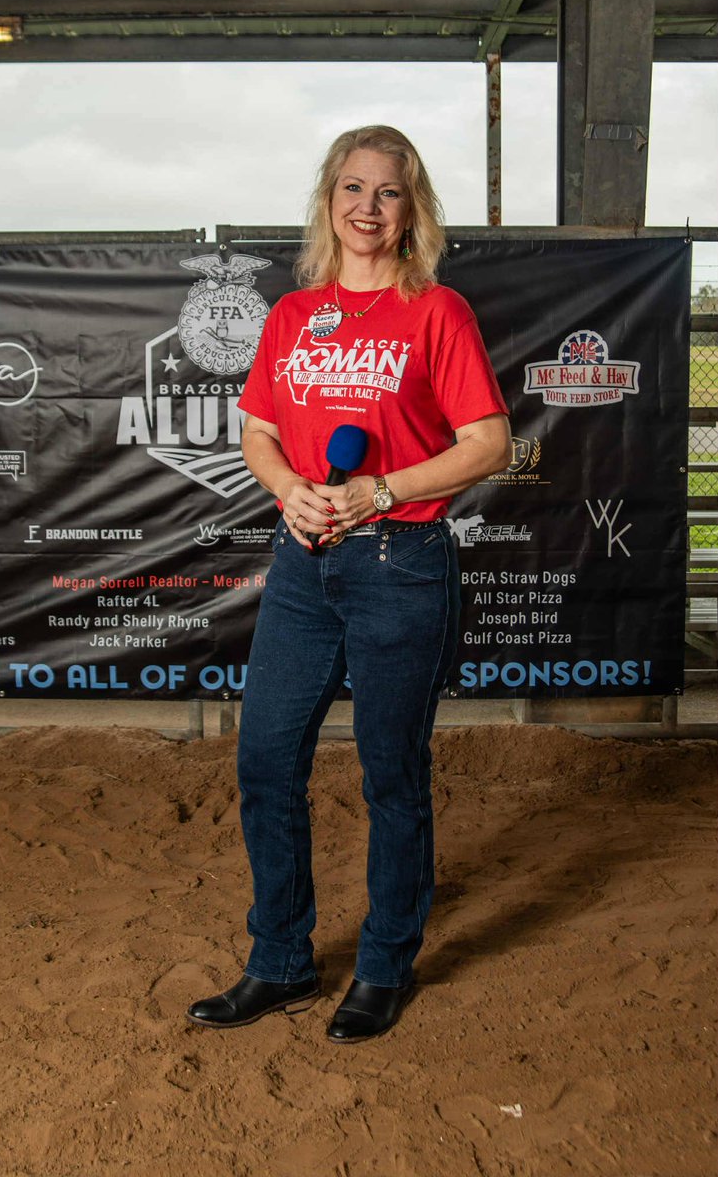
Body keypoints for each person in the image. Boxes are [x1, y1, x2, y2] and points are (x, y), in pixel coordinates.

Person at [187, 125, 510, 1043]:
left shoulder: (435, 310)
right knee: (265, 760)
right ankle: (281, 960)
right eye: (353, 188)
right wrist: (291, 488)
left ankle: (382, 966)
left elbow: (488, 443)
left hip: (398, 563)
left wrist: (381, 488)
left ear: (414, 211)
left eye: (389, 192)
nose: (368, 207)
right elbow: (258, 431)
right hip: (303, 565)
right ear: (328, 199)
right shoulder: (293, 315)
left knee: (390, 776)